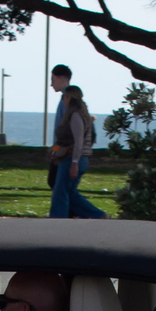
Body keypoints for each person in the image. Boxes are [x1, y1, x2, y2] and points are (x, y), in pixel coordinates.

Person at [48, 84, 107, 219]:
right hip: (79, 158)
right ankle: (97, 215)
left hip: (73, 158)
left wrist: (74, 162)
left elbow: (78, 140)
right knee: (70, 192)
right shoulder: (83, 115)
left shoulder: (75, 116)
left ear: (68, 97)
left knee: (60, 192)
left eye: (64, 97)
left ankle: (58, 219)